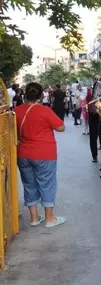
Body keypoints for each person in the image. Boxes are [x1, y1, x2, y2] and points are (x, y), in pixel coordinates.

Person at [15, 83, 66, 228]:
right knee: (47, 184)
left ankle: (34, 218)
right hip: (44, 154)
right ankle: (50, 219)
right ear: (40, 95)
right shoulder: (45, 111)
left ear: (25, 95)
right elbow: (61, 127)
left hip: (24, 153)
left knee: (29, 184)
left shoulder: (17, 111)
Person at [87, 75, 101, 163]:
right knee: (93, 137)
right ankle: (94, 155)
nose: (98, 80)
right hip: (92, 114)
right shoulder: (88, 90)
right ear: (93, 79)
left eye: (99, 79)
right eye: (96, 79)